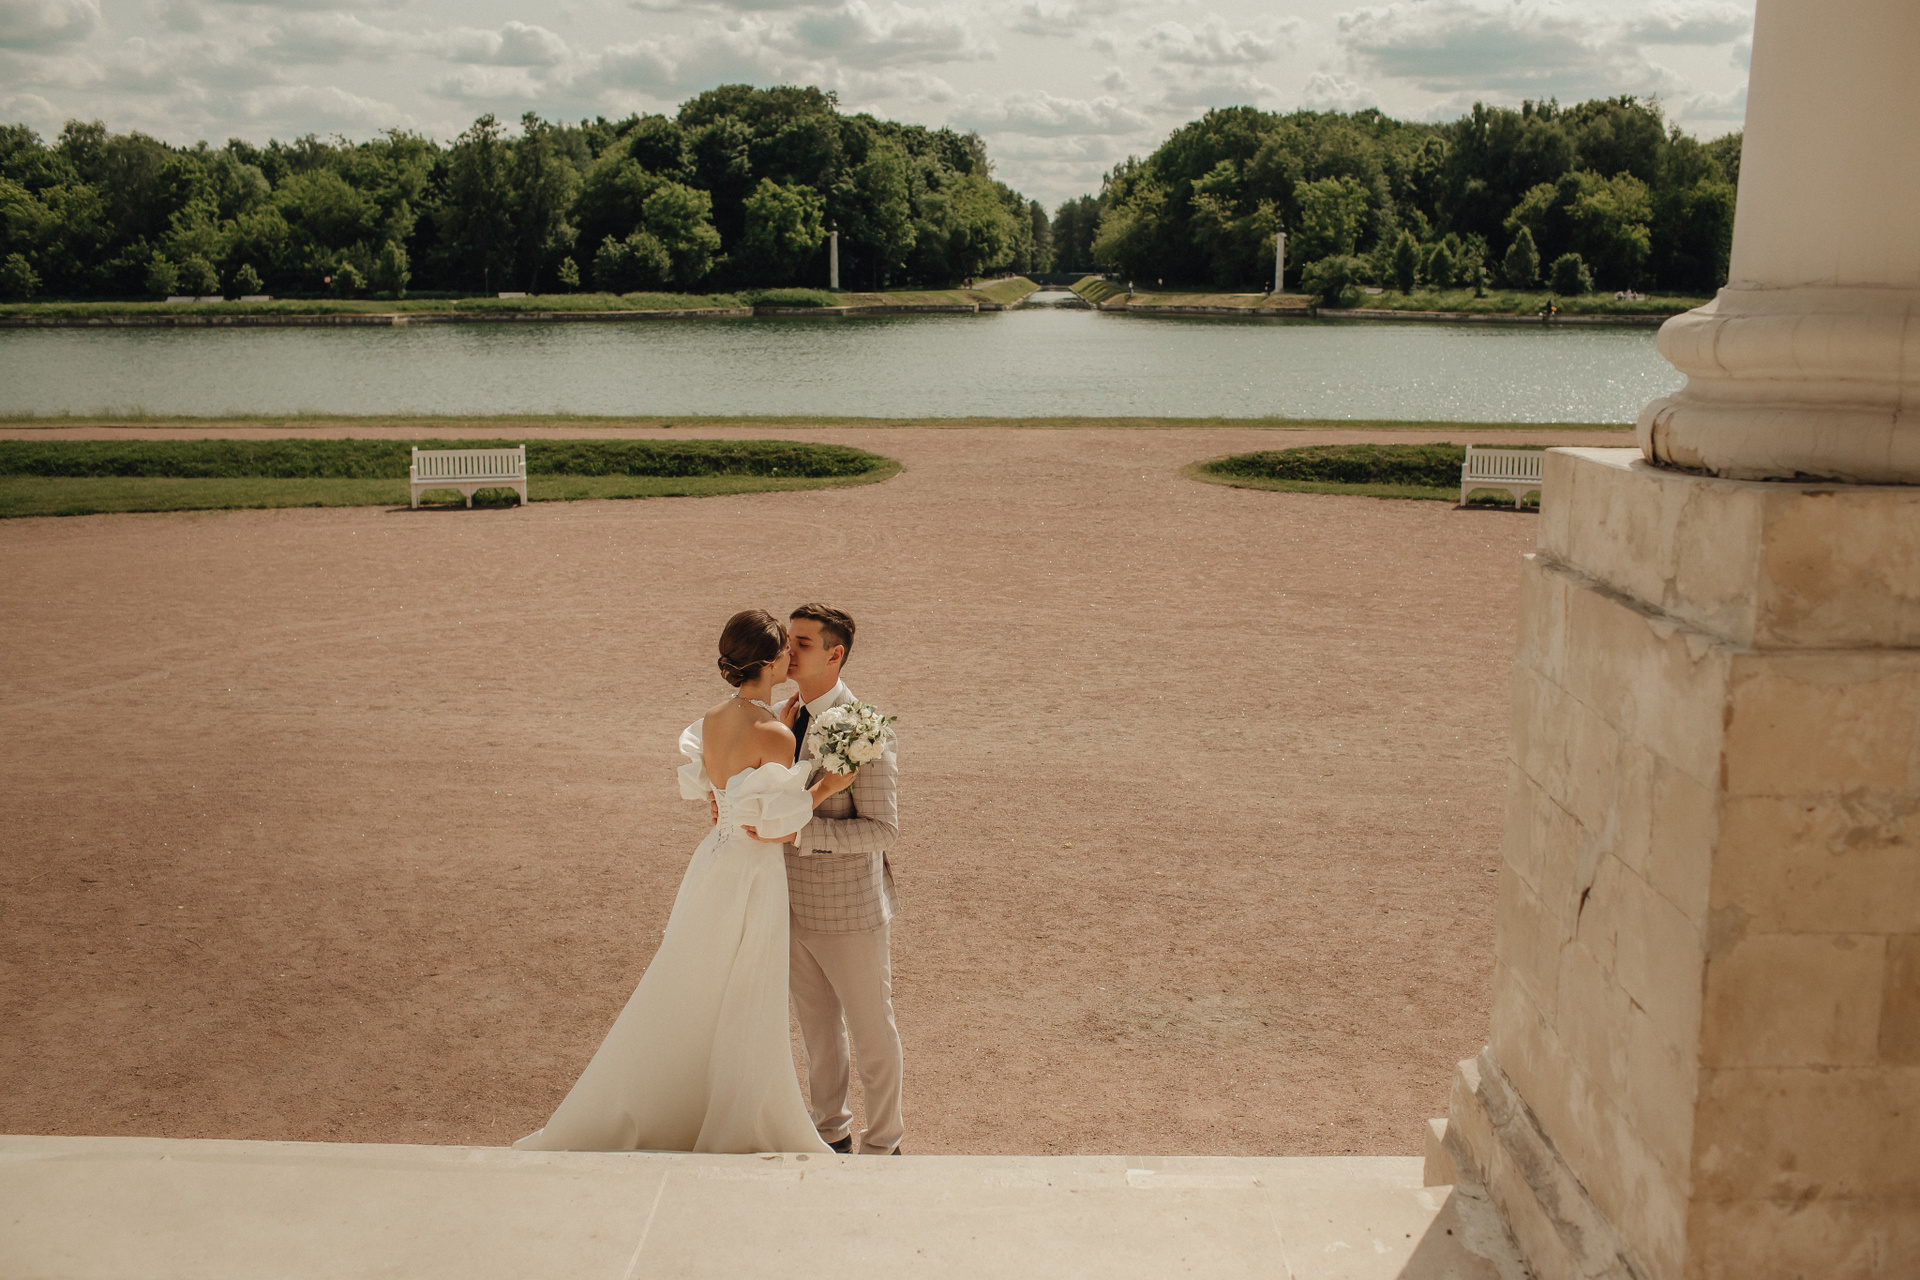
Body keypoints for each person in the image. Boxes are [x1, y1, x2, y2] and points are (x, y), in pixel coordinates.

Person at [512, 610, 856, 1154]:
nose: (792, 655)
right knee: (747, 991)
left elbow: (723, 792)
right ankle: (734, 1113)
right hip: (753, 872)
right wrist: (828, 785)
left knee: (693, 980)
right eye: (785, 650)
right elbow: (777, 821)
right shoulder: (775, 734)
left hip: (713, 862)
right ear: (770, 663)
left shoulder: (713, 718)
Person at [760, 603, 905, 1156]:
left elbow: (883, 829)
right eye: (788, 640)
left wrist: (801, 834)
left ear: (834, 654)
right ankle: (831, 1135)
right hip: (789, 904)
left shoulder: (866, 727)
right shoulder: (785, 714)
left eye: (801, 643)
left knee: (872, 1031)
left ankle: (885, 1143)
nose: (788, 651)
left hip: (849, 910)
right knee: (817, 1031)